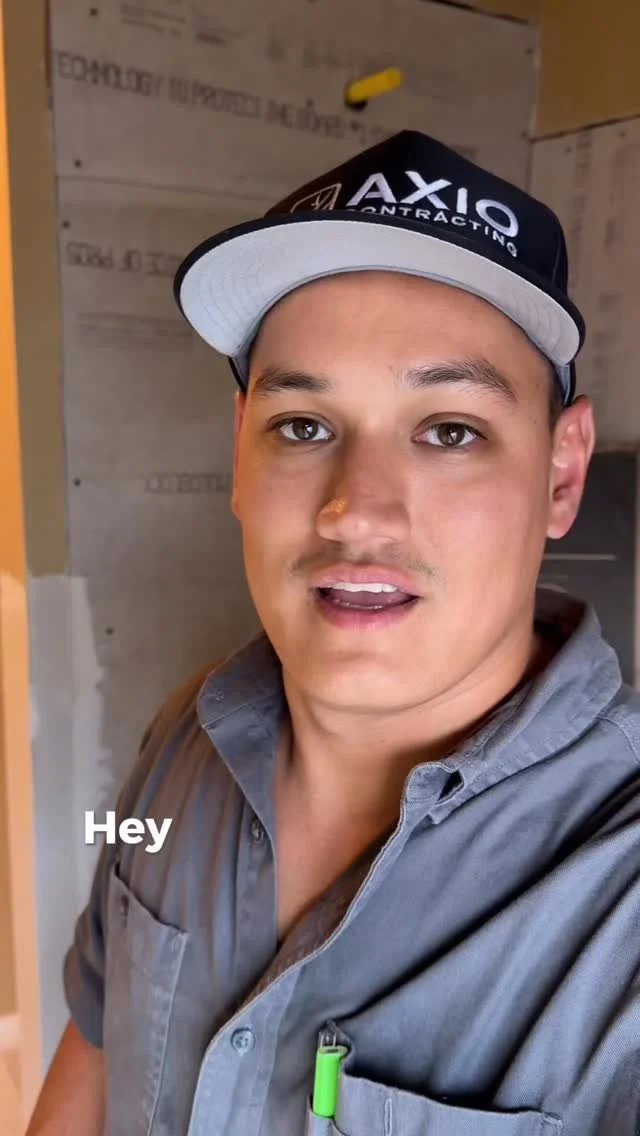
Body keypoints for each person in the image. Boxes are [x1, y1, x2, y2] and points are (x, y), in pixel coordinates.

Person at [26, 130, 640, 1136]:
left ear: (561, 474)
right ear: (240, 450)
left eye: (450, 430)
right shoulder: (181, 744)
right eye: (303, 426)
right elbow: (93, 1048)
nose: (356, 511)